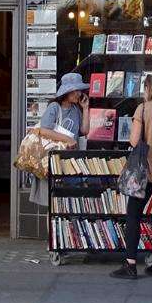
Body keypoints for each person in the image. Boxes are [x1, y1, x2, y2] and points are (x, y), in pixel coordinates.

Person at [111, 74, 152, 279]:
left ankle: (130, 264)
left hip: (147, 173)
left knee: (133, 214)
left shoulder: (143, 109)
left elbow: (133, 141)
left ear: (148, 88)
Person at [29, 71, 90, 207]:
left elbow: (84, 131)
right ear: (66, 92)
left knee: (66, 204)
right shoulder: (54, 107)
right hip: (52, 163)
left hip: (69, 163)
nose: (78, 94)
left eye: (79, 90)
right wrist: (67, 139)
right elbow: (44, 130)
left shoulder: (75, 109)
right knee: (52, 206)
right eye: (75, 91)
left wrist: (85, 109)